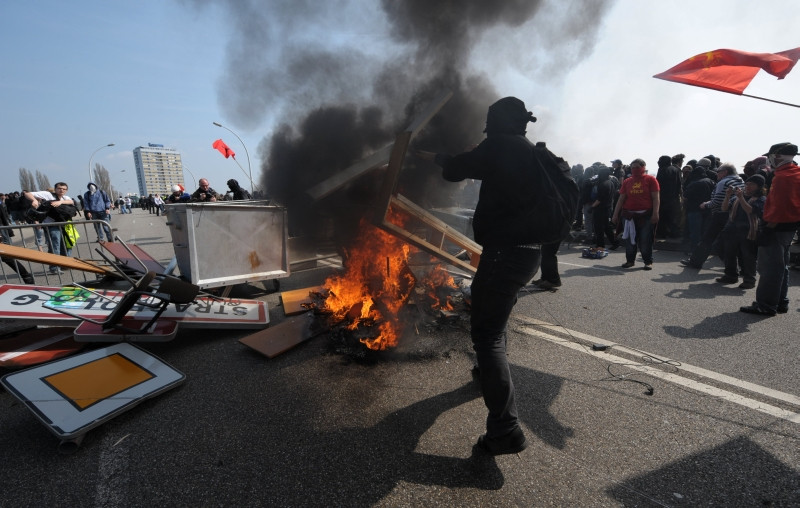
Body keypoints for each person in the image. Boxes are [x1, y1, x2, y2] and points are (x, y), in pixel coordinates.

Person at [420, 96, 561, 455]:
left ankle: (505, 429)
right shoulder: (528, 150)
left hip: (504, 255)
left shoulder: (500, 145)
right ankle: (487, 376)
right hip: (528, 255)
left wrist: (441, 157)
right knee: (494, 326)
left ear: (495, 122)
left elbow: (454, 170)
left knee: (486, 336)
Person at [740, 143, 800, 316]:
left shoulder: (782, 177)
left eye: (772, 156)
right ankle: (781, 301)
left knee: (770, 268)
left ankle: (766, 305)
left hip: (776, 226)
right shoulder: (795, 173)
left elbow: (779, 206)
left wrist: (769, 228)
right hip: (790, 227)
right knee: (782, 266)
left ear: (778, 156)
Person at [680, 162, 744, 269]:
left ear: (725, 172)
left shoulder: (723, 182)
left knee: (709, 239)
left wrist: (706, 204)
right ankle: (739, 267)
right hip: (734, 214)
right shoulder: (740, 180)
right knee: (726, 241)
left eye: (718, 172)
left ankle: (697, 262)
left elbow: (718, 201)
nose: (716, 174)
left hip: (721, 214)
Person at [717, 174, 766, 289]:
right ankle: (730, 275)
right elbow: (724, 208)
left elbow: (750, 210)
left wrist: (741, 198)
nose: (748, 187)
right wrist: (728, 196)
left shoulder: (761, 199)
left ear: (759, 187)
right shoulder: (739, 196)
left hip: (748, 229)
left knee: (748, 256)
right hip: (732, 228)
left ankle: (749, 280)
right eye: (747, 184)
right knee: (728, 253)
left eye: (751, 185)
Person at [612, 158, 660, 270]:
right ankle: (630, 261)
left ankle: (648, 262)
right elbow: (621, 199)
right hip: (628, 216)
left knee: (645, 240)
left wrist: (655, 213)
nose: (634, 169)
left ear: (643, 167)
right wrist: (615, 215)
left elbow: (656, 198)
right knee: (629, 240)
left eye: (637, 167)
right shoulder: (627, 181)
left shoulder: (651, 179)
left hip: (646, 216)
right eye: (632, 167)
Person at [24, 182, 75, 274]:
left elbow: (71, 202)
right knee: (55, 246)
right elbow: (27, 193)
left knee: (64, 245)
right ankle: (54, 267)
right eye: (59, 188)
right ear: (55, 189)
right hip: (51, 225)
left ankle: (63, 264)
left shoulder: (65, 198)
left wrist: (61, 202)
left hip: (64, 225)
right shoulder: (48, 195)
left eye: (64, 189)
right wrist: (33, 200)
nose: (61, 190)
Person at [590, 165, 620, 250]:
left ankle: (600, 245)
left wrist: (592, 207)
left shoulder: (603, 184)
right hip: (607, 207)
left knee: (599, 228)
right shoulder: (610, 182)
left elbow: (600, 199)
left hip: (601, 209)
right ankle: (615, 242)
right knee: (606, 227)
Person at [655, 155, 683, 239]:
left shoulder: (662, 169)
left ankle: (662, 233)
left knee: (662, 217)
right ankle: (674, 234)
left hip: (663, 197)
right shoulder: (677, 169)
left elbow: (658, 185)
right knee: (672, 217)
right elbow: (679, 184)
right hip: (674, 197)